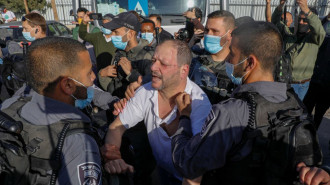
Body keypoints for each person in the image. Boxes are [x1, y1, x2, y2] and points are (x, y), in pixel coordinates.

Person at [171, 21, 320, 184]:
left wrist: (184, 117)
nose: (227, 58)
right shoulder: (295, 102)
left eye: (232, 54)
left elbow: (187, 163)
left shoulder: (230, 112)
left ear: (250, 63)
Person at [102, 40, 211, 185]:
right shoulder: (145, 92)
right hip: (162, 171)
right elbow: (116, 127)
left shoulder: (199, 104)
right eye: (153, 60)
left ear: (183, 70)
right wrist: (113, 157)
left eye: (163, 64)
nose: (153, 67)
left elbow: (196, 168)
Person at [0, 37, 104, 184]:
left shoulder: (10, 105)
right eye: (88, 73)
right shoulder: (79, 141)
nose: (93, 77)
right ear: (67, 85)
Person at [271, 0, 326, 100]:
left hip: (301, 85)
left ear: (310, 22)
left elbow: (319, 30)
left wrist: (305, 9)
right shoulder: (288, 33)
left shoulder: (314, 39)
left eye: (305, 20)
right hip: (283, 82)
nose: (301, 22)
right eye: (299, 19)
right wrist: (281, 6)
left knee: (294, 111)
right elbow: (275, 22)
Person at [98, 11, 154, 97]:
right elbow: (114, 87)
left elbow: (152, 88)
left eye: (116, 32)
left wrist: (131, 73)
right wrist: (102, 75)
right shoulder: (119, 53)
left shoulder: (148, 56)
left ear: (130, 34)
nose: (112, 35)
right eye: (112, 31)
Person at [189, 10, 236, 104]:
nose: (208, 34)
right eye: (206, 30)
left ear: (230, 34)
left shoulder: (238, 66)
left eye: (215, 31)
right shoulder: (194, 60)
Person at [303, 24, 330, 129]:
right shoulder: (326, 40)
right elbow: (319, 32)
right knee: (306, 111)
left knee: (318, 115)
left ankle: (312, 136)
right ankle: (303, 135)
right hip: (314, 83)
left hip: (327, 90)